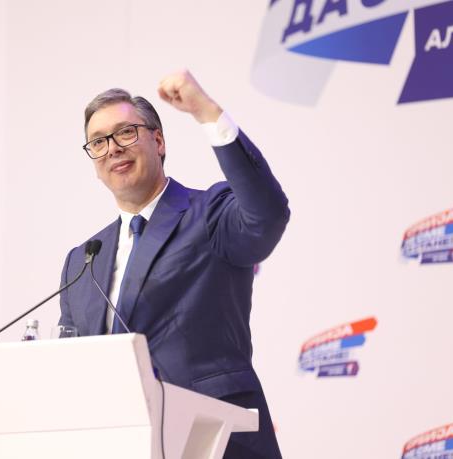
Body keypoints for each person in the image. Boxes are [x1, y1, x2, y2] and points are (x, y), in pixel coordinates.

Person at [58, 70, 289, 459]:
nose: (112, 148)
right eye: (98, 141)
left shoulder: (209, 214)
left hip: (215, 443)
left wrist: (207, 112)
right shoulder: (82, 261)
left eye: (125, 133)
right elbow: (71, 370)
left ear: (159, 141)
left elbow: (267, 214)